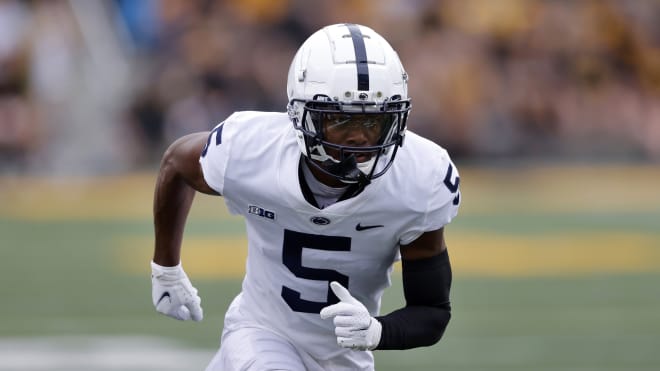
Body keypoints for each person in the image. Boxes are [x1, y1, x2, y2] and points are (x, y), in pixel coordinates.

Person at [150, 23, 461, 371]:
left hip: (343, 358)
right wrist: (166, 269)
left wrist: (377, 331)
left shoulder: (419, 178)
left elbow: (432, 311)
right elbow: (177, 162)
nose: (359, 138)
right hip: (261, 332)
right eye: (341, 122)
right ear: (301, 115)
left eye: (374, 122)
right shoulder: (253, 149)